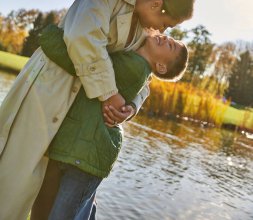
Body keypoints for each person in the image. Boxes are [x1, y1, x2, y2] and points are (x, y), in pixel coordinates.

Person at [0, 0, 194, 220]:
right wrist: (110, 94)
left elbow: (145, 78)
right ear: (156, 5)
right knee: (15, 175)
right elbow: (83, 38)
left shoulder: (143, 30)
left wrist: (131, 106)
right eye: (166, 24)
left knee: (41, 185)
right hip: (48, 87)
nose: (160, 30)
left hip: (78, 106)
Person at [31, 24, 188, 220]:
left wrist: (49, 36)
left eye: (170, 46)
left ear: (162, 67)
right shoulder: (133, 56)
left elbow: (85, 64)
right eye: (169, 38)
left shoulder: (134, 67)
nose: (166, 38)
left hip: (87, 155)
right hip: (79, 147)